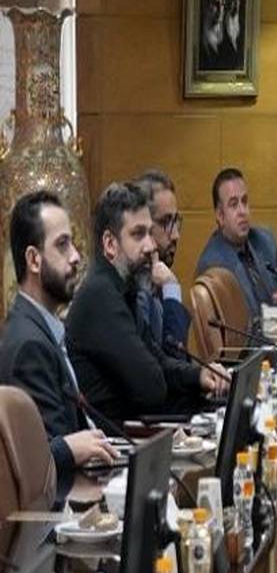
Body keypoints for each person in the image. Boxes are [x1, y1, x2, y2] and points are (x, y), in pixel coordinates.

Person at [67, 183, 227, 428]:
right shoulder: (99, 295)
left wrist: (199, 375)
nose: (151, 246)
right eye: (138, 234)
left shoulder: (124, 287)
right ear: (110, 244)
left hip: (141, 429)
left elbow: (158, 360)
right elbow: (152, 387)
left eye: (150, 233)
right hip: (120, 441)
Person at [0, 191, 117, 498]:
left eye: (73, 244)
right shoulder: (29, 346)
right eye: (62, 245)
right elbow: (36, 463)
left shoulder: (42, 329)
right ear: (33, 260)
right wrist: (69, 447)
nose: (76, 256)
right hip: (62, 510)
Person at [195, 167, 277, 319]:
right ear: (220, 216)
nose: (242, 211)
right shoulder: (212, 267)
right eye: (234, 204)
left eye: (244, 201)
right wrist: (273, 317)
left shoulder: (265, 240)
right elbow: (229, 327)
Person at [133, 170, 190, 353]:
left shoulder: (155, 280)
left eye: (176, 221)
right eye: (166, 222)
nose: (175, 235)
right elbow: (174, 359)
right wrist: (171, 288)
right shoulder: (138, 295)